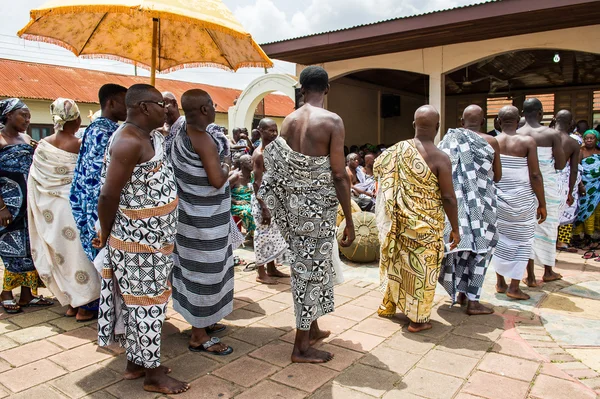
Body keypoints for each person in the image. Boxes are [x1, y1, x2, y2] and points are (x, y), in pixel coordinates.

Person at [258, 65, 355, 363]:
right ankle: (300, 347)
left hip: (294, 210)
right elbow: (339, 175)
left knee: (310, 267)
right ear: (327, 89)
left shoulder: (287, 121)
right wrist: (349, 219)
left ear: (302, 90)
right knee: (309, 273)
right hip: (318, 211)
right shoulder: (332, 121)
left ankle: (311, 328)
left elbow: (281, 170)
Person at [95, 84, 188, 394]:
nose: (166, 109)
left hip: (154, 241)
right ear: (145, 107)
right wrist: (107, 233)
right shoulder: (127, 141)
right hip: (136, 243)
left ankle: (136, 363)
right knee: (147, 305)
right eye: (161, 104)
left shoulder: (147, 137)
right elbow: (108, 195)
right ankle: (153, 375)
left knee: (142, 303)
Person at [375, 105, 460, 332]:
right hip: (428, 226)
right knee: (424, 271)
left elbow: (377, 168)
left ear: (413, 125)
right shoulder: (441, 158)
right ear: (438, 126)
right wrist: (456, 229)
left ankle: (392, 305)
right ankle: (418, 320)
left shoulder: (397, 150)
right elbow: (449, 197)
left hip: (401, 222)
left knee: (400, 264)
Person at [170, 89, 235, 356]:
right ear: (206, 109)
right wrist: (228, 165)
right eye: (212, 104)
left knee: (196, 269)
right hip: (203, 221)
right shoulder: (202, 139)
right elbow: (217, 180)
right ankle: (198, 335)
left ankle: (205, 321)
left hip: (190, 216)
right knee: (204, 274)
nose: (215, 107)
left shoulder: (180, 133)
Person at [28, 98, 100, 321]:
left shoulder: (42, 145)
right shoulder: (79, 144)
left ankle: (71, 303)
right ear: (77, 119)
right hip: (72, 208)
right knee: (79, 254)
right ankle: (86, 306)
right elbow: (89, 176)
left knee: (62, 256)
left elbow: (33, 180)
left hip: (49, 210)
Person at [438, 105, 501, 315]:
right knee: (482, 249)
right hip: (483, 205)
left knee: (462, 247)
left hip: (457, 206)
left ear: (461, 121)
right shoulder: (491, 141)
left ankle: (461, 293)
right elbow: (497, 175)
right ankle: (473, 300)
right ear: (483, 121)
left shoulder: (449, 140)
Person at [0, 98, 53, 314]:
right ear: (9, 115)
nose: (28, 119)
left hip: (29, 204)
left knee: (29, 248)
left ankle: (26, 294)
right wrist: (1, 207)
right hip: (8, 205)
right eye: (23, 114)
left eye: (29, 115)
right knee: (11, 248)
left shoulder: (26, 138)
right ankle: (5, 294)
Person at [491, 106, 546, 300]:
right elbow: (535, 175)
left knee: (499, 239)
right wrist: (542, 203)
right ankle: (514, 287)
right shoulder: (527, 142)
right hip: (523, 200)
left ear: (498, 121)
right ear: (519, 119)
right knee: (523, 242)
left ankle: (500, 282)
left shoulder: (493, 142)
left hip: (497, 199)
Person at [70, 83, 128, 264]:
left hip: (91, 209)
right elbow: (101, 183)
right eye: (125, 102)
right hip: (102, 214)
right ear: (111, 103)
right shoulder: (107, 134)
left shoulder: (94, 129)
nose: (129, 108)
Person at [518, 98, 566, 286]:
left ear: (522, 113)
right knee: (548, 227)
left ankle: (529, 275)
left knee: (527, 229)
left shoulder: (517, 133)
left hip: (523, 186)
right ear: (541, 113)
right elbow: (561, 164)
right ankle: (547, 271)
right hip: (546, 187)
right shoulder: (551, 134)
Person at [251, 118, 289, 285]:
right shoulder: (259, 154)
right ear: (260, 131)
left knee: (273, 236)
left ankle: (272, 268)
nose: (274, 133)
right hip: (263, 202)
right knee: (262, 236)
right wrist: (264, 207)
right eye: (270, 130)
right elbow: (256, 183)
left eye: (275, 130)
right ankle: (261, 272)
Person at [554, 110, 582, 252]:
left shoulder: (543, 137)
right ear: (571, 123)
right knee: (562, 214)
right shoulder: (573, 142)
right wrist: (570, 192)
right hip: (563, 183)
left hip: (543, 180)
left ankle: (546, 247)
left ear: (554, 119)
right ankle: (560, 243)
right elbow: (574, 169)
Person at [574, 130, 600, 245]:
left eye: (592, 138)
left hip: (597, 188)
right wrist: (581, 185)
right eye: (587, 138)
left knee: (596, 210)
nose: (589, 140)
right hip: (584, 186)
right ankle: (580, 235)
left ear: (597, 140)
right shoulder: (581, 152)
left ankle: (593, 235)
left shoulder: (599, 153)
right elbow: (577, 169)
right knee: (583, 210)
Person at [231, 154, 256, 241]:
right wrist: (236, 202)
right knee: (249, 211)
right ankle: (254, 235)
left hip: (251, 202)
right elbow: (223, 193)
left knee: (261, 210)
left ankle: (258, 234)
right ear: (242, 164)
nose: (252, 163)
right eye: (249, 161)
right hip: (236, 204)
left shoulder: (254, 176)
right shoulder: (235, 177)